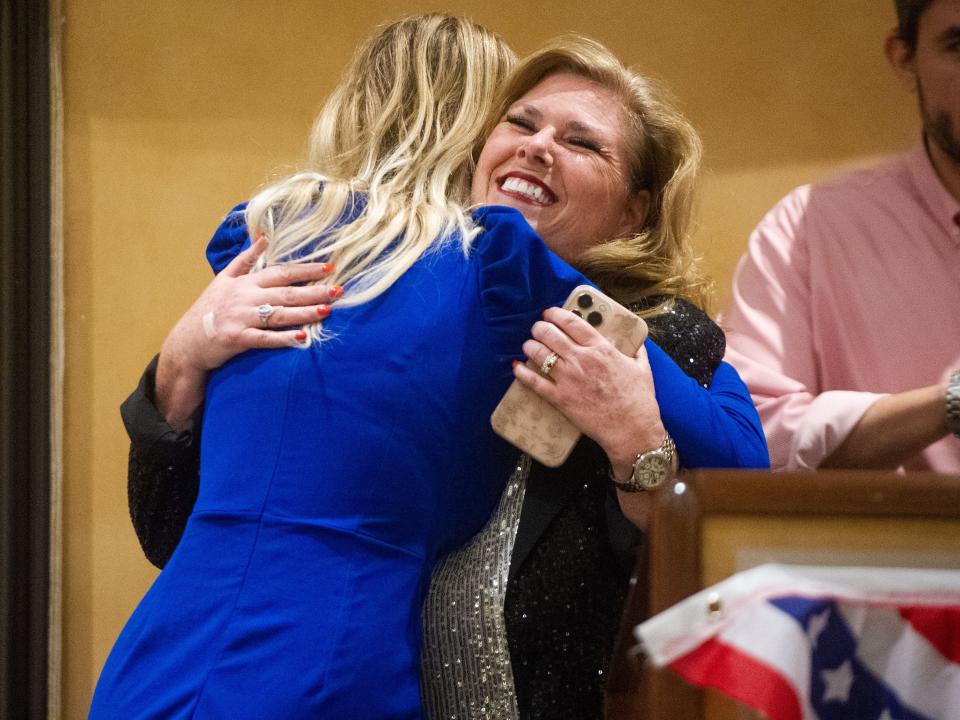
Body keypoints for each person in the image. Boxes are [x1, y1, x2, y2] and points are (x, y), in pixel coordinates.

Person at [117, 34, 770, 720]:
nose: (538, 146)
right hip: (332, 679)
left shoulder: (668, 338)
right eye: (518, 122)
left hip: (169, 671)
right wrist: (178, 362)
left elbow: (739, 507)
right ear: (473, 142)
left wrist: (639, 442)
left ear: (635, 210)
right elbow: (169, 529)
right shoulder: (437, 266)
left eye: (582, 144)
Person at [721, 0, 960, 473]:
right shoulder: (809, 230)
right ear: (904, 56)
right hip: (894, 544)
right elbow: (754, 436)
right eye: (958, 45)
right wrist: (947, 406)